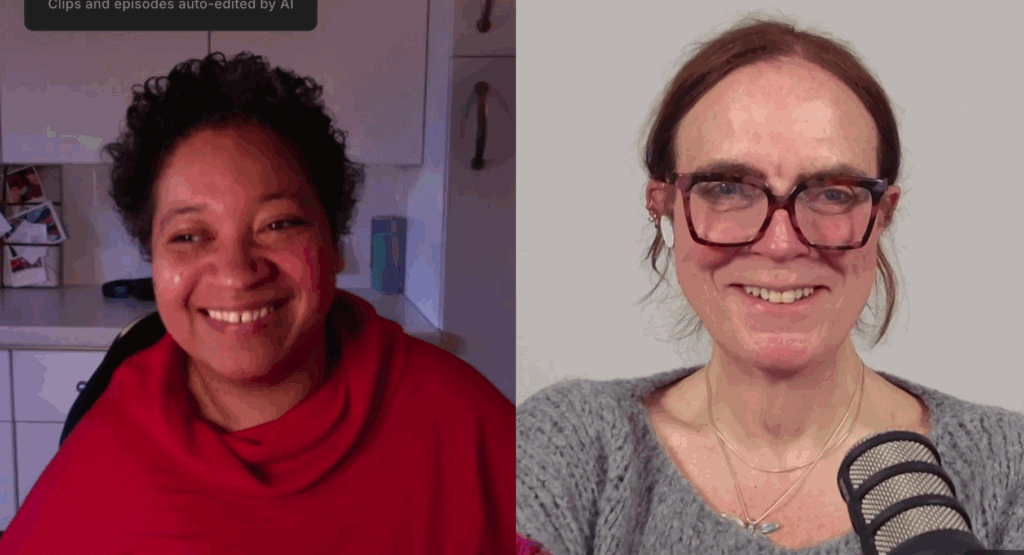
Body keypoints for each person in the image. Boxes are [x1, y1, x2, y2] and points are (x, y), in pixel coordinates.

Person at [516, 18, 1024, 554]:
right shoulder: (569, 443)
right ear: (663, 207)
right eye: (727, 188)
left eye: (833, 193)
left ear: (882, 214)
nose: (781, 244)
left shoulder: (1009, 467)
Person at [0, 52, 513, 554]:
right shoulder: (103, 463)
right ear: (153, 262)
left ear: (334, 244)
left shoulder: (463, 422)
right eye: (189, 235)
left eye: (279, 224)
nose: (237, 272)